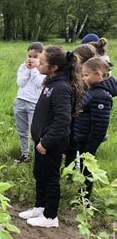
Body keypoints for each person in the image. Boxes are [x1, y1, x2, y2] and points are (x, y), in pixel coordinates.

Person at [19, 46, 82, 228]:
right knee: (39, 173)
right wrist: (35, 133)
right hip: (41, 139)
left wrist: (46, 142)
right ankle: (40, 206)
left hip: (52, 142)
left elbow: (63, 120)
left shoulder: (61, 88)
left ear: (53, 67)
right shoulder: (52, 82)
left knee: (50, 177)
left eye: (42, 61)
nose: (38, 63)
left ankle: (50, 216)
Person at [74, 57, 116, 199]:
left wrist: (91, 148)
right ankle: (80, 194)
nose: (83, 78)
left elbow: (100, 126)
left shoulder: (101, 96)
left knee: (87, 169)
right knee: (83, 168)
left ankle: (85, 199)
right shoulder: (92, 90)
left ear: (98, 75)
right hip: (82, 136)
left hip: (88, 140)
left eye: (86, 75)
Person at [63, 43, 97, 168]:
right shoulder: (73, 75)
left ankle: (75, 172)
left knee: (75, 147)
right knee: (70, 146)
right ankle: (70, 172)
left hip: (81, 120)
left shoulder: (89, 81)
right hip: (73, 117)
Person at [13, 42, 46, 163]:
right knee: (22, 131)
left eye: (35, 56)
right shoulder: (23, 67)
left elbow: (38, 83)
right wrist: (28, 69)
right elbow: (20, 83)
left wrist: (33, 70)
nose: (31, 59)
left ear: (42, 56)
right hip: (20, 101)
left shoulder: (43, 70)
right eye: (29, 56)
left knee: (35, 133)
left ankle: (38, 158)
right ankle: (24, 154)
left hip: (34, 104)